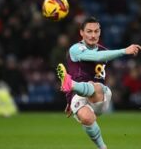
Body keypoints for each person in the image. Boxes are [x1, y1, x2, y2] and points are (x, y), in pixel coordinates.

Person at [56, 17, 141, 149]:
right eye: (89, 31)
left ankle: (71, 84)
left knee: (94, 85)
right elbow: (95, 57)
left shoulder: (104, 52)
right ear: (81, 33)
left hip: (100, 95)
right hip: (78, 94)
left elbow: (102, 65)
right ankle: (103, 147)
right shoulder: (75, 49)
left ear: (100, 32)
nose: (93, 35)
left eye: (96, 31)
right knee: (87, 118)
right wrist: (124, 51)